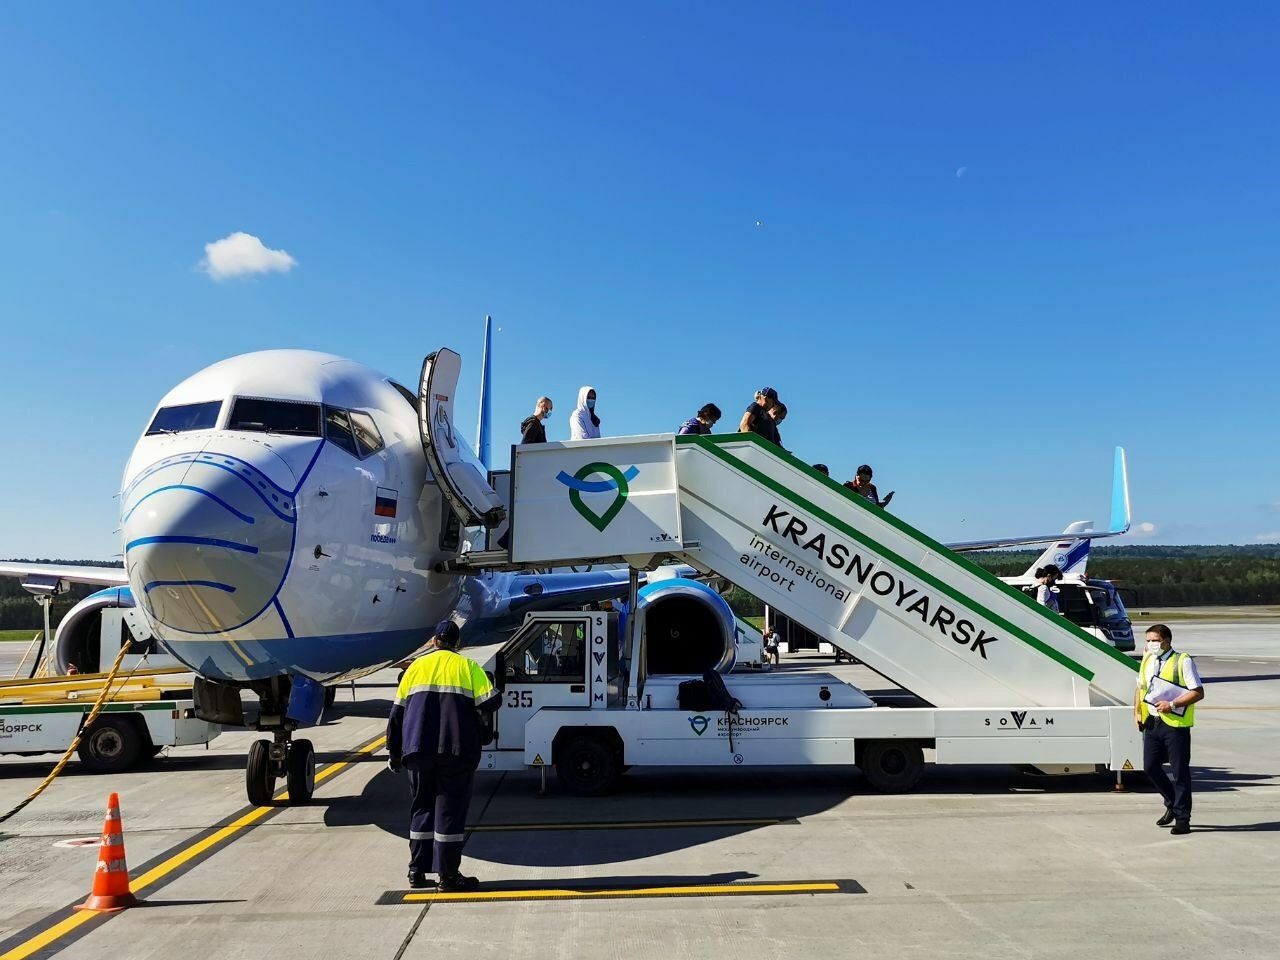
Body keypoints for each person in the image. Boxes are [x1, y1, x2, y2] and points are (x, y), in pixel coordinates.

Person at [387, 620, 500, 890]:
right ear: (457, 643)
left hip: (417, 750)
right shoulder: (467, 667)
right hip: (455, 750)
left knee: (421, 808)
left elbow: (396, 715)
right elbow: (492, 701)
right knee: (449, 810)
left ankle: (416, 871)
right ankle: (448, 876)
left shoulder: (415, 668)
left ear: (435, 641)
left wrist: (394, 752)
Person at [1135, 624, 1204, 836]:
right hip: (1152, 722)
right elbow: (1140, 687)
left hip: (1175, 725)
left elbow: (1198, 692)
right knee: (1149, 767)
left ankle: (1183, 819)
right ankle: (1172, 803)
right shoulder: (1147, 659)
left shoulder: (1183, 661)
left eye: (1154, 640)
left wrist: (1172, 705)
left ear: (1167, 641)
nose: (1150, 645)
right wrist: (1137, 712)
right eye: (1148, 640)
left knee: (1180, 772)